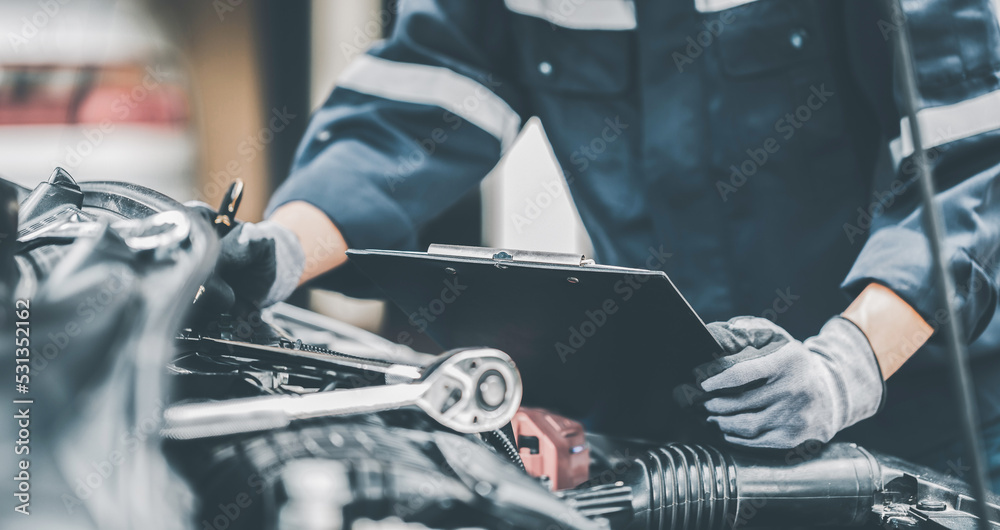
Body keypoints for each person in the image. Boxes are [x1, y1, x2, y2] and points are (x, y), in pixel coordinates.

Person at [210, 0, 1000, 487]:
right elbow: (417, 108)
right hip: (689, 423)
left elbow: (973, 162)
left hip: (924, 426)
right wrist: (284, 249)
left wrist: (847, 365)